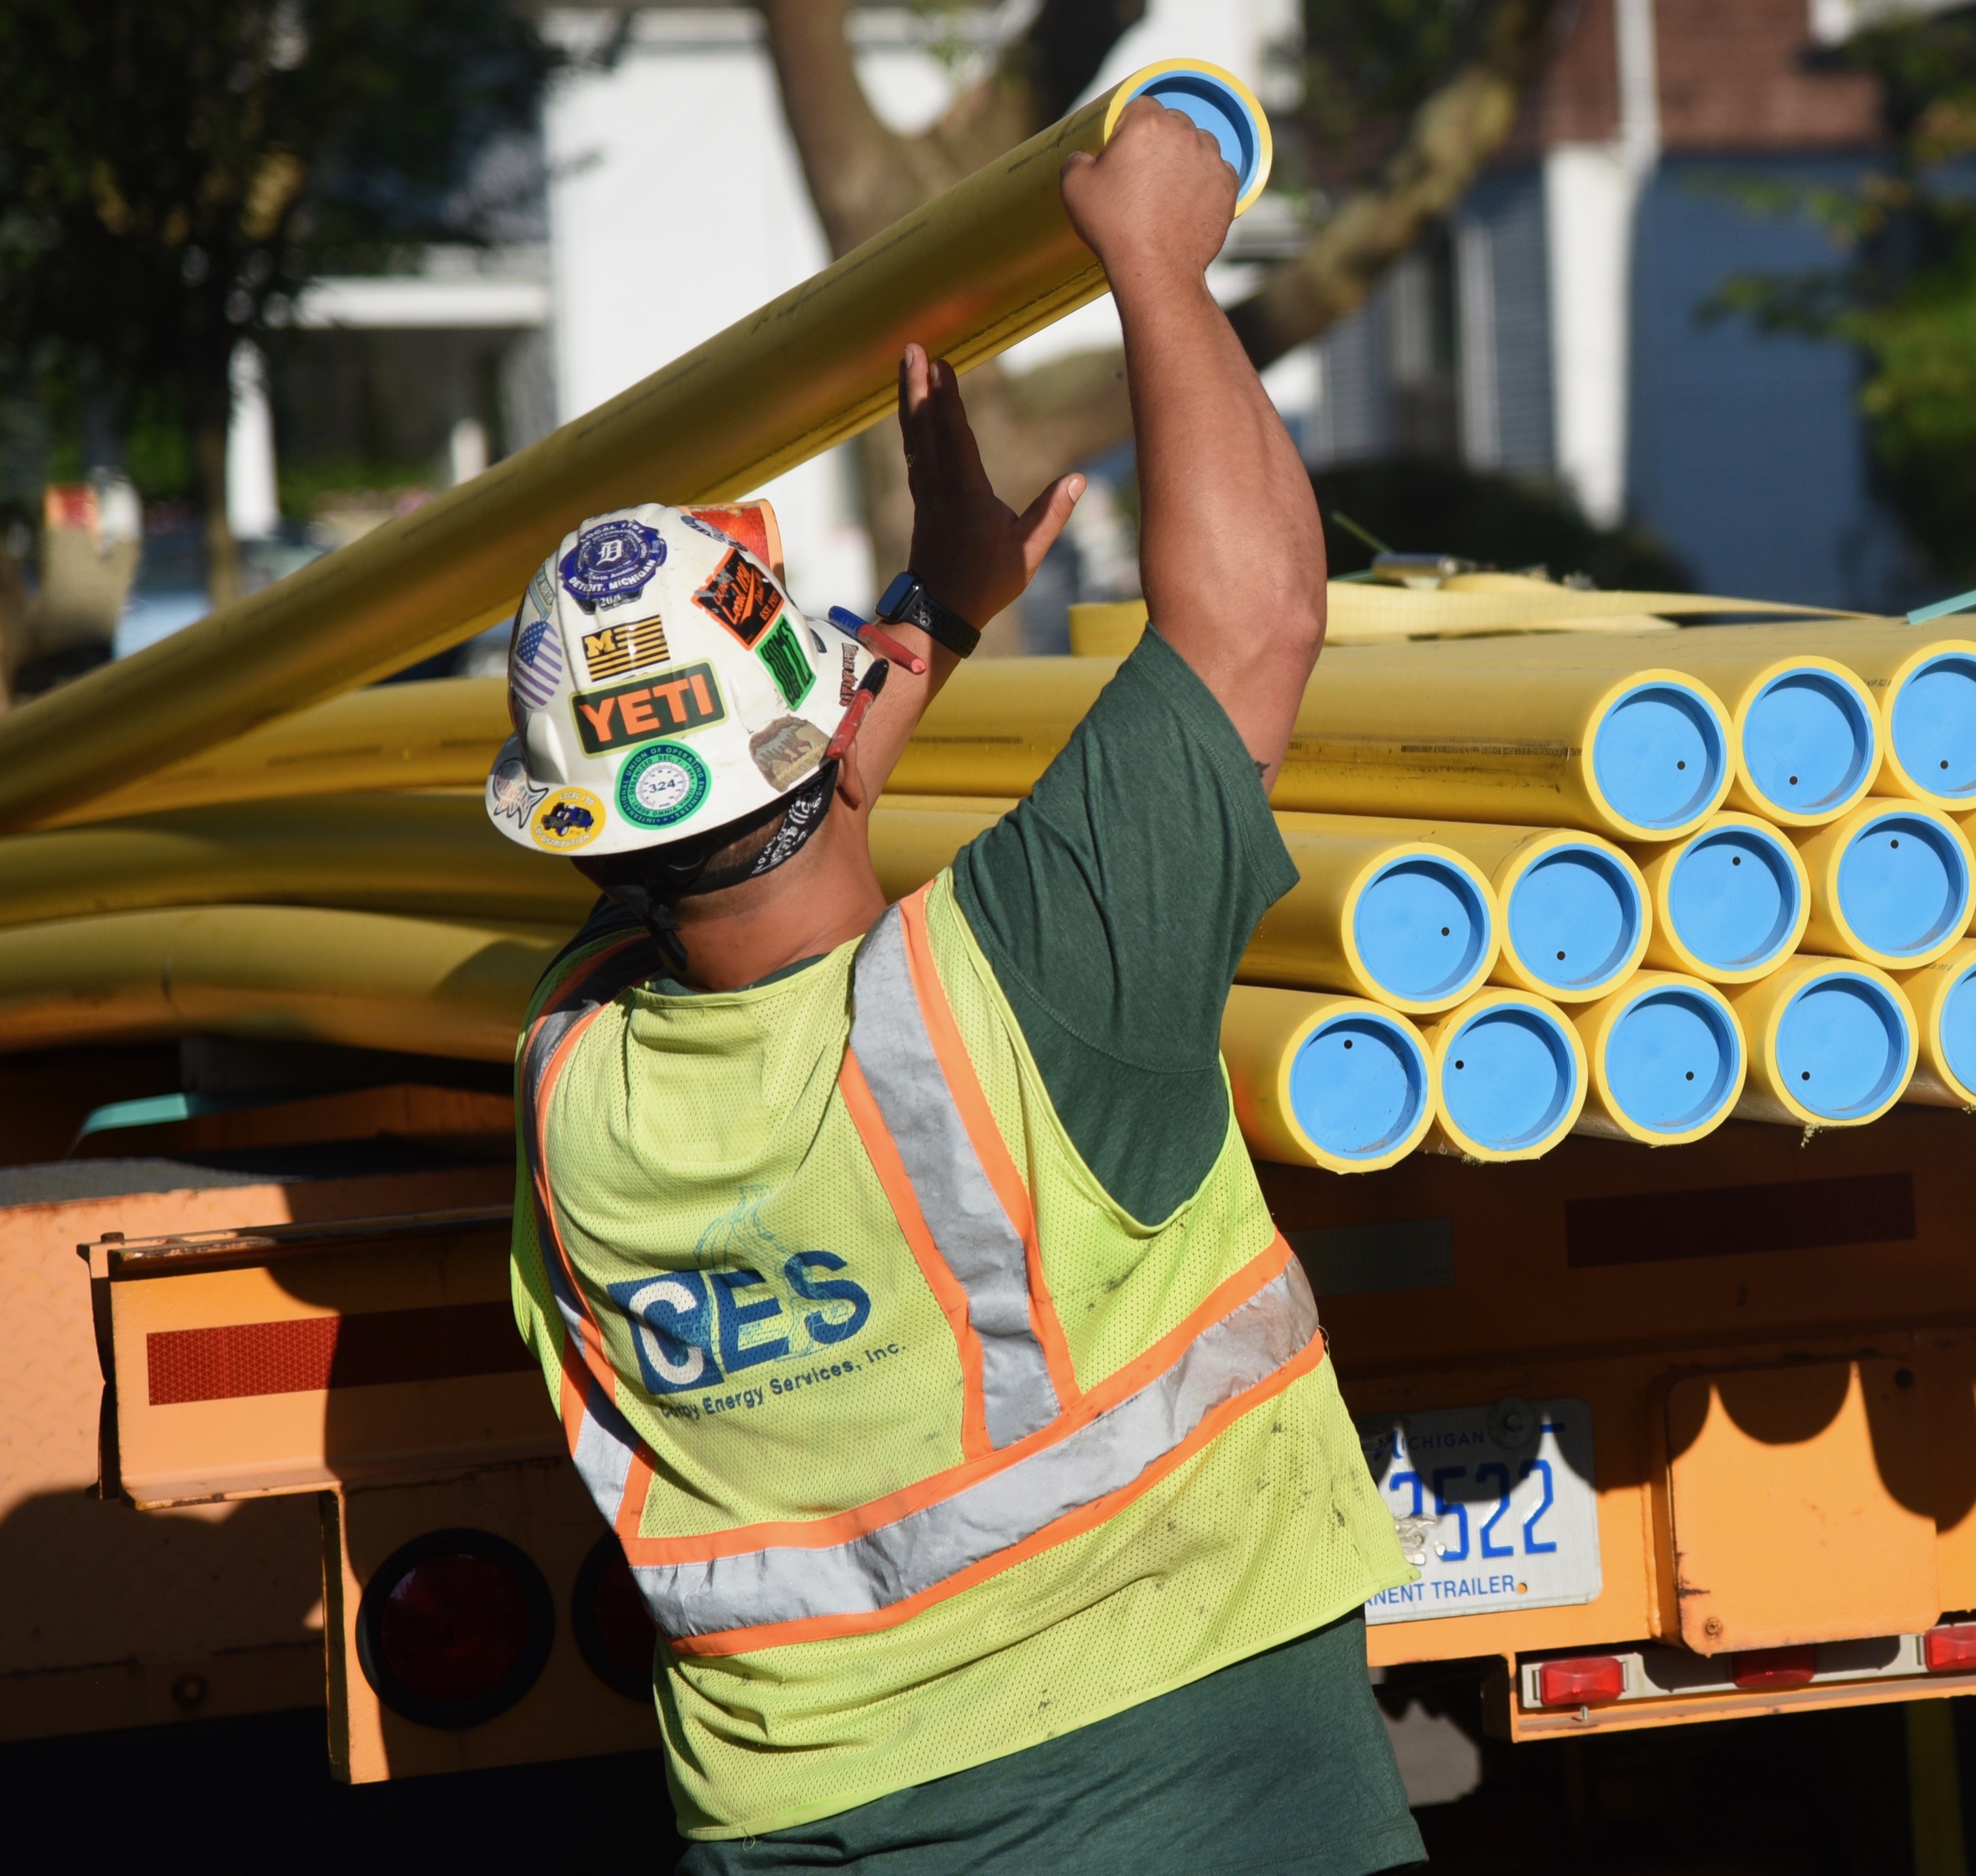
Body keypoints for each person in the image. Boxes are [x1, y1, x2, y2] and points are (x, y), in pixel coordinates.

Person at [484, 98, 1420, 1873]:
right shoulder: (1025, 990)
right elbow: (1255, 624)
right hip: (1204, 1764)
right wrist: (1150, 255)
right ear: (832, 724)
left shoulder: (568, 1086)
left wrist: (929, 625)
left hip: (804, 1815)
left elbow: (708, 868)